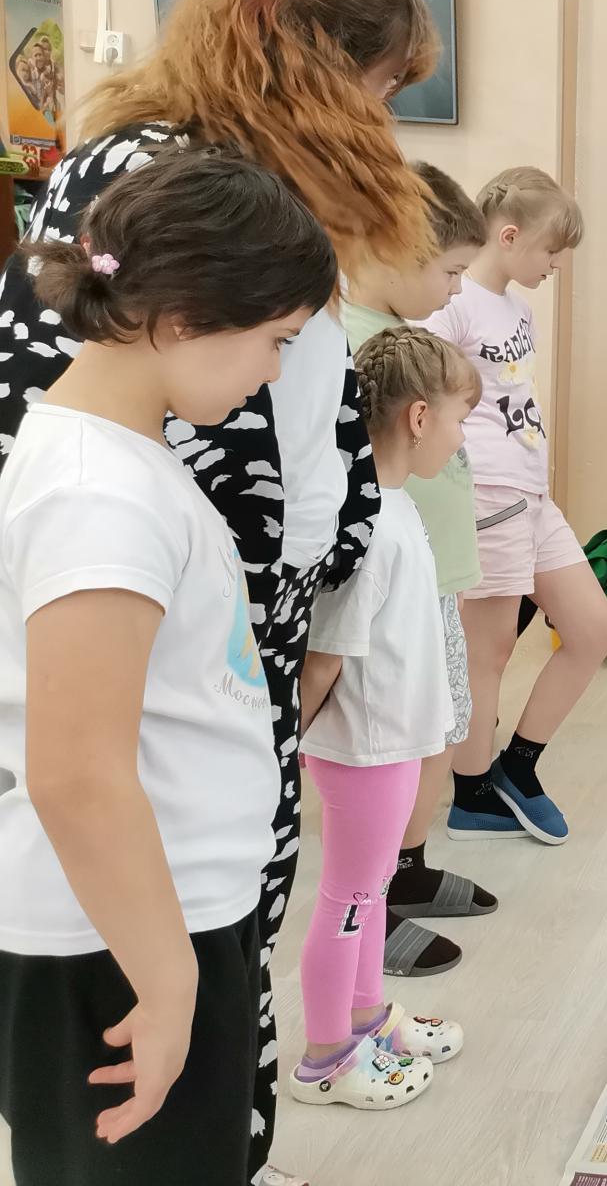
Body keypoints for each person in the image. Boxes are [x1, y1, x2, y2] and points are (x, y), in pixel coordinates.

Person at [0, 0, 436, 1186]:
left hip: (217, 694)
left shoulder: (244, 211)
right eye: (380, 83)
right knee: (146, 1060)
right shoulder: (107, 474)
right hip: (149, 713)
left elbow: (316, 440)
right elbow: (83, 758)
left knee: (209, 1007)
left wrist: (319, 613)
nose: (383, 115)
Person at [0, 149, 336, 1184]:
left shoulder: (126, 461)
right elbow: (76, 774)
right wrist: (167, 981)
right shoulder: (98, 492)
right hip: (116, 945)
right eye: (275, 341)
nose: (273, 374)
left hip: (160, 920)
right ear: (185, 317)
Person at [291, 326, 480, 1111]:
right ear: (419, 418)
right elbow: (324, 656)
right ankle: (325, 1056)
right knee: (349, 897)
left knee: (370, 893)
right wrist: (283, 745)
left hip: (392, 740)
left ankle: (365, 1018)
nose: (462, 437)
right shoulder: (365, 521)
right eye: (460, 418)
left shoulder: (393, 505)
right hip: (363, 746)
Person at [339, 163, 496, 979]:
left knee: (438, 731)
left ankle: (408, 866)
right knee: (401, 746)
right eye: (449, 270)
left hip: (431, 575)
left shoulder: (394, 328)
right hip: (394, 584)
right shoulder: (348, 335)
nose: (453, 288)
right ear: (400, 246)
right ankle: (380, 899)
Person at [427, 166, 607, 844]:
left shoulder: (518, 308)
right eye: (550, 251)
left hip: (531, 494)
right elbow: (423, 402)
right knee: (490, 650)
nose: (556, 265)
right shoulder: (451, 306)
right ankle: (472, 792)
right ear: (509, 236)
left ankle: (517, 765)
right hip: (484, 495)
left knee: (593, 627)